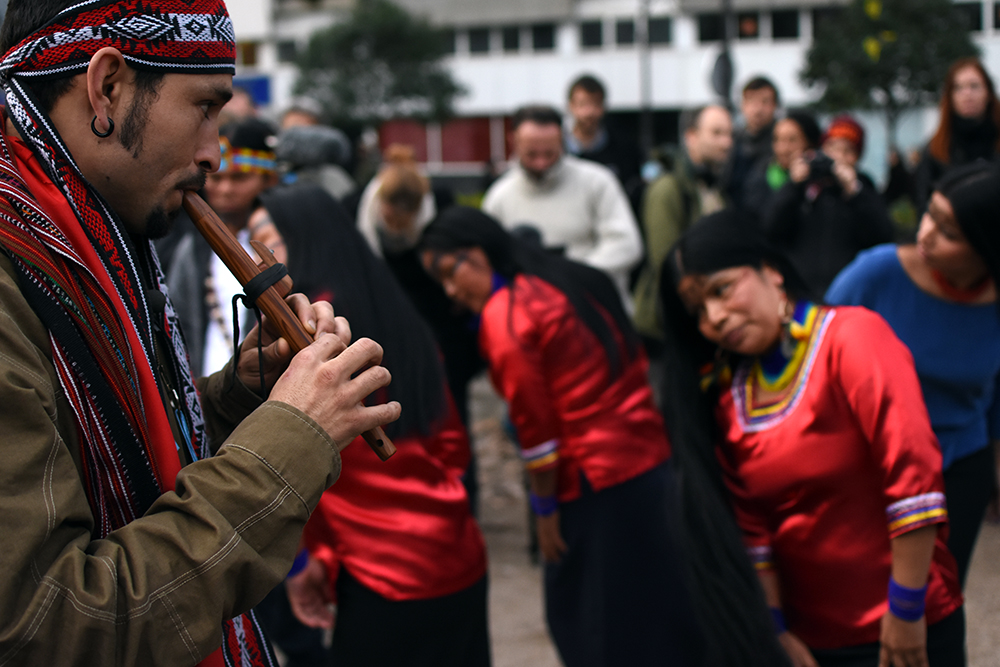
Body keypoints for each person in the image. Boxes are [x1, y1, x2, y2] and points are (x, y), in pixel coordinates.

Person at [0, 1, 399, 664]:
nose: (214, 153)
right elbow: (49, 623)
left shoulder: (84, 231)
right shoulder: (25, 260)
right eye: (205, 109)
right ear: (107, 88)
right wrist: (289, 443)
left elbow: (107, 462)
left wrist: (239, 399)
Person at [659, 210, 964, 667]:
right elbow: (753, 529)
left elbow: (913, 473)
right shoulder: (730, 400)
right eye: (698, 311)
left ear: (771, 270)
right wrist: (777, 631)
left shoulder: (851, 337)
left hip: (907, 621)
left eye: (721, 290)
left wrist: (905, 611)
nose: (715, 317)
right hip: (813, 645)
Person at [420, 207, 705, 667]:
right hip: (649, 462)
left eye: (450, 274)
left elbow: (537, 434)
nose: (451, 292)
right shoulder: (569, 278)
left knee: (594, 619)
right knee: (661, 604)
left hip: (594, 481)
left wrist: (545, 509)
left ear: (475, 254)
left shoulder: (506, 317)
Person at [246, 184, 491, 667]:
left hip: (379, 565)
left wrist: (303, 559)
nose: (256, 260)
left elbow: (305, 466)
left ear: (306, 240)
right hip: (453, 543)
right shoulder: (397, 314)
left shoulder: (312, 340)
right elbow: (453, 444)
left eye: (265, 240)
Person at [827, 162, 1000, 589]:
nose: (925, 234)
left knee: (939, 597)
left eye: (949, 233)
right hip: (872, 465)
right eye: (929, 214)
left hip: (960, 464)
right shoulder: (877, 274)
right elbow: (817, 358)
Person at [482, 105, 643, 310]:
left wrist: (572, 276)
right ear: (513, 141)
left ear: (562, 141)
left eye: (549, 154)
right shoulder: (499, 197)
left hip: (596, 312)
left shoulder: (597, 182)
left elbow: (627, 245)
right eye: (532, 154)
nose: (541, 163)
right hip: (532, 317)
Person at [167, 118, 281, 376]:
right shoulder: (193, 248)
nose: (226, 189)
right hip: (209, 387)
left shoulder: (282, 243)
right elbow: (179, 322)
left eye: (239, 178)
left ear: (269, 179)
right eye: (216, 179)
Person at [760, 114, 894, 295]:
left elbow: (882, 237)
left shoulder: (863, 188)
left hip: (846, 295)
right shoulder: (804, 186)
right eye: (832, 147)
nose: (838, 156)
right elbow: (771, 228)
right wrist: (793, 186)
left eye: (848, 151)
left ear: (857, 157)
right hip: (800, 295)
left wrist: (854, 192)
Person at [633, 104, 733, 343]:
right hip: (669, 328)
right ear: (691, 137)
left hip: (702, 319)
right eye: (716, 133)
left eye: (730, 134)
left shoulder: (714, 188)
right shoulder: (667, 188)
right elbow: (666, 264)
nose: (726, 143)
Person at [913, 58, 1000, 214]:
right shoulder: (936, 150)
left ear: (988, 92)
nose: (967, 94)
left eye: (974, 86)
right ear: (950, 96)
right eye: (958, 88)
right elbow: (923, 207)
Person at [564, 74, 643, 203]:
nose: (589, 112)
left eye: (595, 104)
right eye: (582, 104)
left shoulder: (624, 149)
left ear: (603, 106)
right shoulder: (556, 150)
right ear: (570, 106)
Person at [742, 110, 822, 224]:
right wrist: (792, 185)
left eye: (792, 140)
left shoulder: (821, 181)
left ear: (810, 144)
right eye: (777, 139)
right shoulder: (759, 178)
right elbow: (766, 223)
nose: (782, 149)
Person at [727, 76, 780, 208]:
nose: (758, 110)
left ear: (775, 106)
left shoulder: (782, 143)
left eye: (765, 102)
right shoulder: (730, 142)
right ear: (742, 105)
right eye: (751, 101)